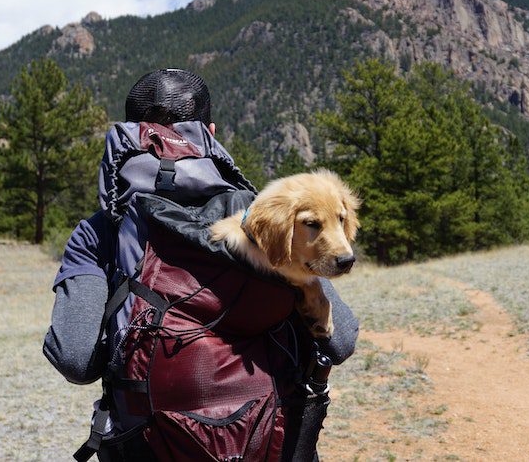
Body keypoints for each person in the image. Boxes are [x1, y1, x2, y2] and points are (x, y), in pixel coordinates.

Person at [44, 68, 358, 461]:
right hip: (266, 441)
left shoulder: (99, 231)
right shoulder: (261, 216)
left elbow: (76, 360)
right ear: (210, 132)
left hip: (151, 443)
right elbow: (341, 341)